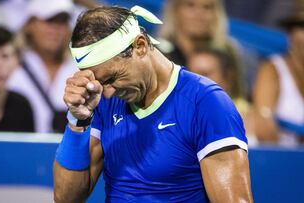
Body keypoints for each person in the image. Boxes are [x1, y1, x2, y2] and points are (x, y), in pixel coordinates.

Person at [53, 5, 253, 202]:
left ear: (140, 46)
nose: (106, 93)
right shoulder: (101, 97)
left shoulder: (206, 103)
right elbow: (65, 198)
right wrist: (78, 121)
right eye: (100, 82)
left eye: (112, 78)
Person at [7, 0, 78, 133]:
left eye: (62, 22)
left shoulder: (80, 68)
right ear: (30, 24)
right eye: (49, 21)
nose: (56, 29)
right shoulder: (11, 67)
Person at [253, 0, 304, 146]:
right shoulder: (272, 70)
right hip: (283, 161)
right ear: (290, 34)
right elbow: (263, 127)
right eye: (302, 27)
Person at [188, 48, 257, 145]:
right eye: (190, 75)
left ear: (228, 77)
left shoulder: (251, 117)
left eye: (205, 74)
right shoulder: (177, 116)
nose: (195, 82)